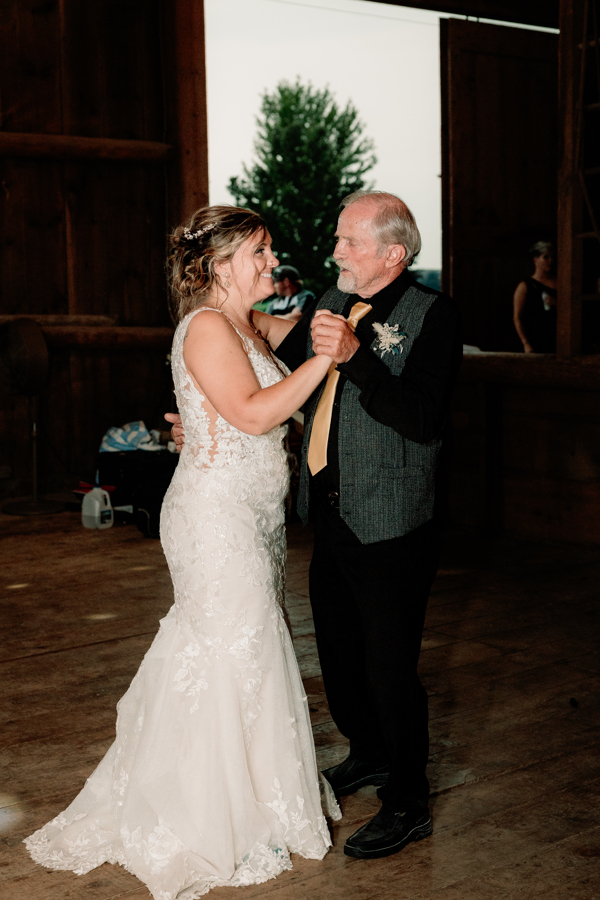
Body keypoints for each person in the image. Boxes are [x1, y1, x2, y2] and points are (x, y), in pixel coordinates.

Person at [25, 206, 340, 900]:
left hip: (253, 516)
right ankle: (203, 815)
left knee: (249, 649)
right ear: (220, 264)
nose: (270, 262)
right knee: (232, 649)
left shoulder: (245, 322)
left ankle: (257, 801)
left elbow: (297, 332)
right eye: (258, 252)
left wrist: (330, 320)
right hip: (214, 517)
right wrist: (325, 358)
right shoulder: (203, 327)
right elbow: (257, 413)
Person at [171, 190, 462, 862]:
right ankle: (367, 754)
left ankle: (408, 800)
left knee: (391, 666)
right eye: (337, 239)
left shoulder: (433, 316)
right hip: (325, 514)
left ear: (393, 253)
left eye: (348, 242)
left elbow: (423, 419)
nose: (334, 252)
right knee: (337, 653)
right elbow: (266, 371)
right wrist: (208, 421)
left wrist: (359, 356)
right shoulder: (326, 303)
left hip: (391, 522)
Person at [513, 241, 557, 353]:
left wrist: (557, 303)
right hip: (535, 339)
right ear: (535, 260)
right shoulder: (525, 286)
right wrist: (526, 343)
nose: (550, 261)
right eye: (545, 257)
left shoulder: (560, 283)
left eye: (552, 257)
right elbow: (518, 317)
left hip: (557, 338)